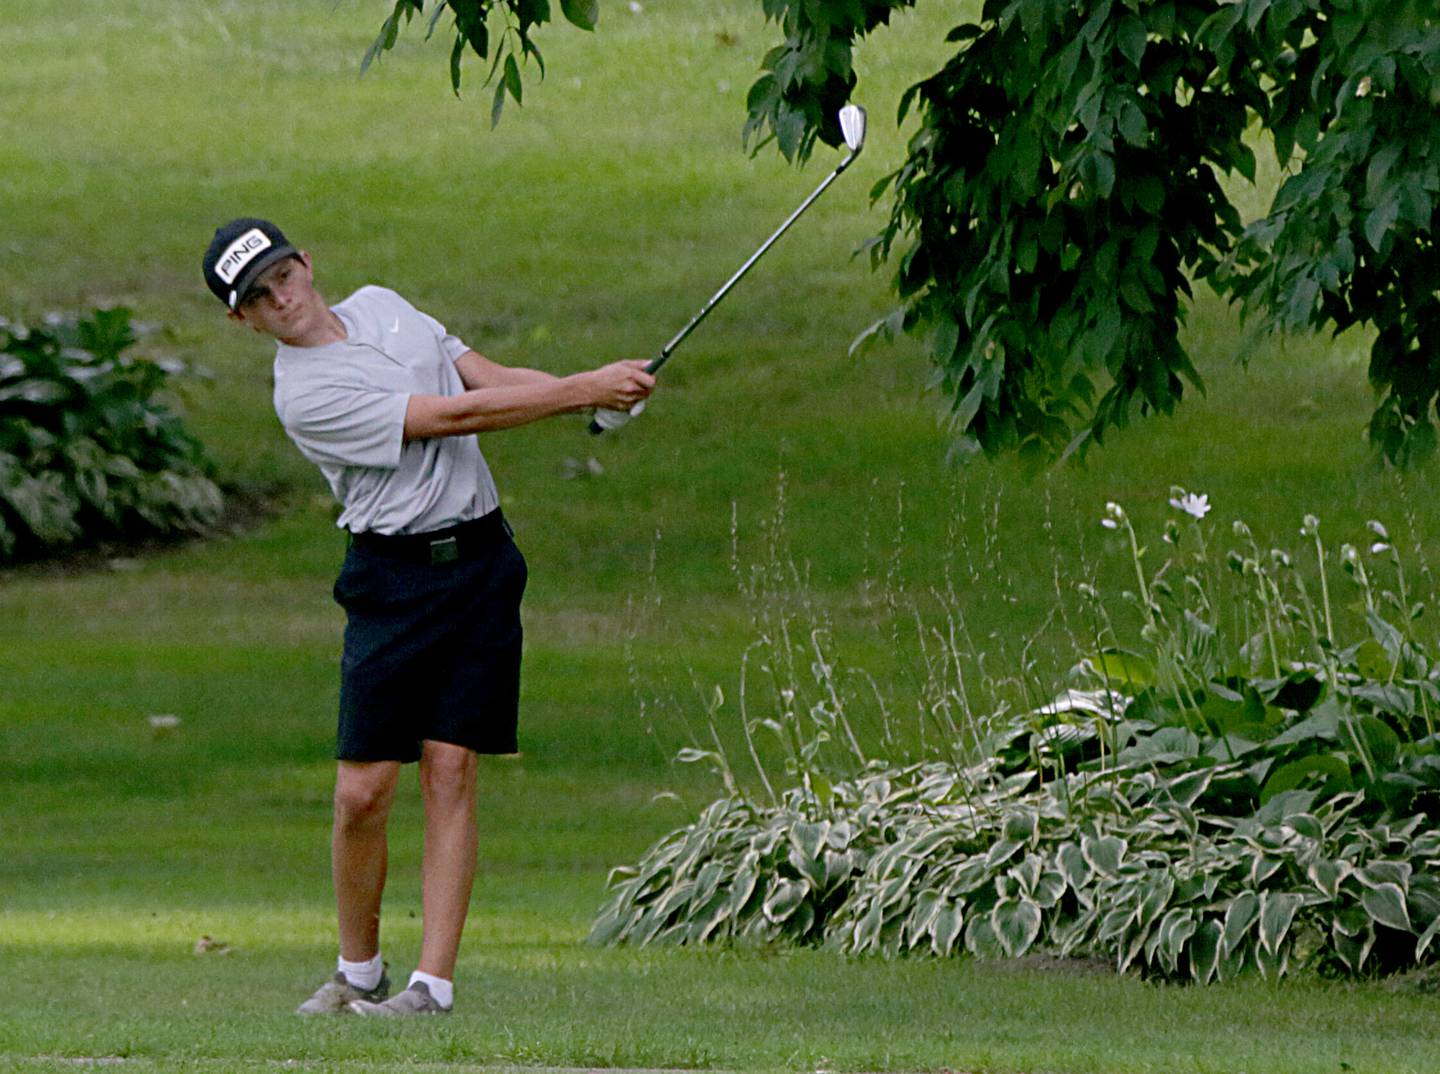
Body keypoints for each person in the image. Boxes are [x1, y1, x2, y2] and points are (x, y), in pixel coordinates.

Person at [201, 218, 654, 1017]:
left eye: (283, 276)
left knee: (452, 768)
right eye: (260, 298)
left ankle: (430, 987)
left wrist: (592, 396)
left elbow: (486, 379)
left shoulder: (384, 306)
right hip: (390, 581)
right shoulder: (304, 393)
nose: (283, 299)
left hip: (479, 564)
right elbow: (447, 419)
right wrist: (584, 387)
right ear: (243, 320)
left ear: (307, 263)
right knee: (362, 792)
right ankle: (359, 971)